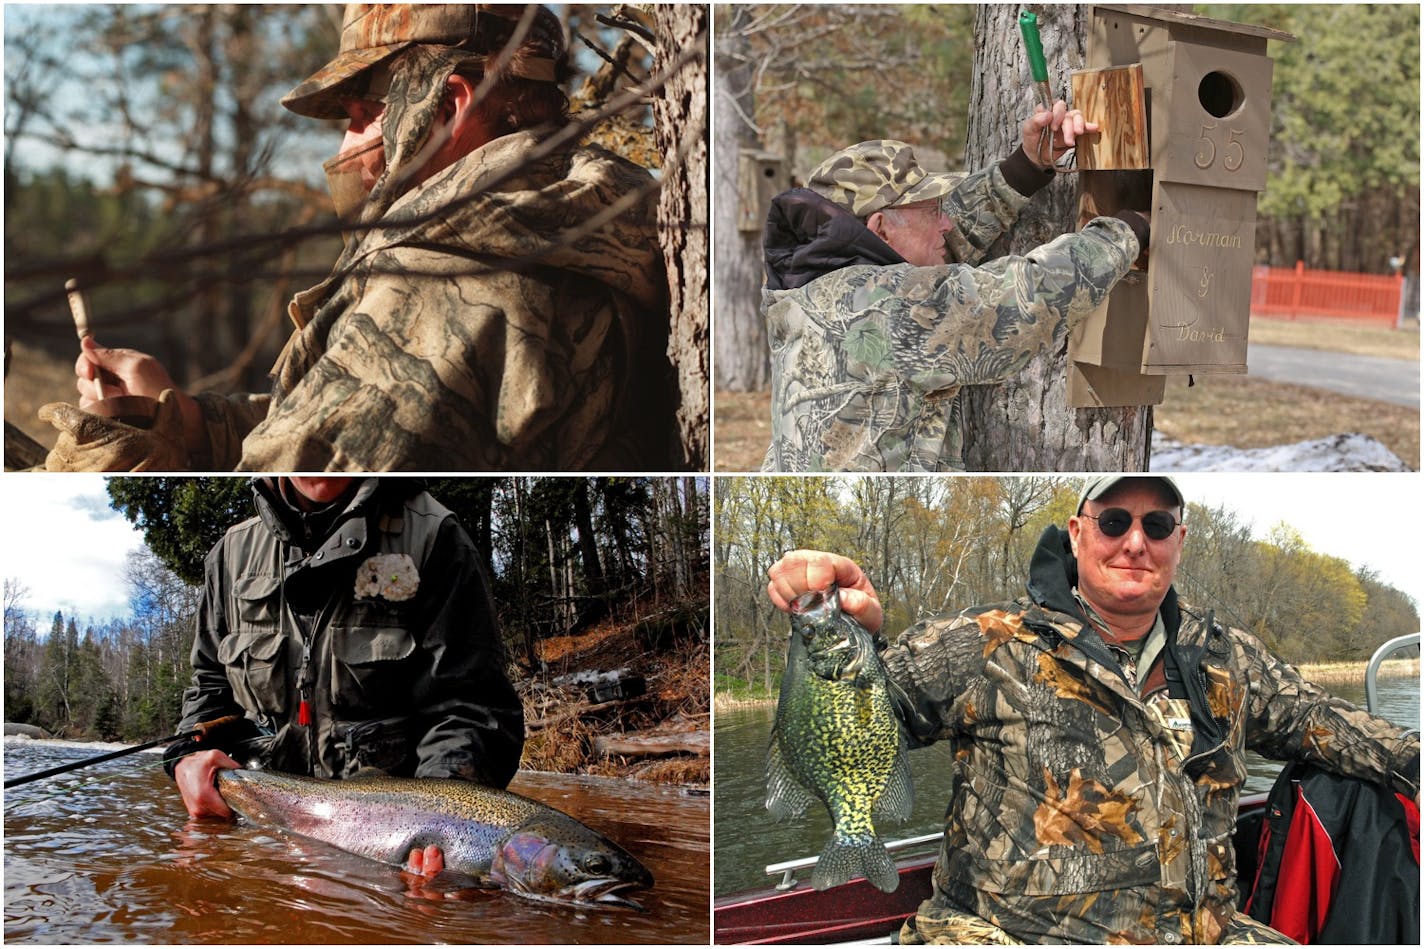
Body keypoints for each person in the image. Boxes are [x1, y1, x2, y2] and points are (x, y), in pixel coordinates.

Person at [765, 476, 1420, 944]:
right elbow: (872, 713)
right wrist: (850, 632)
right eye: (1114, 521)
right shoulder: (989, 640)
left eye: (1157, 524)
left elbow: (1323, 722)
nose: (1135, 541)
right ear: (1078, 533)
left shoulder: (1227, 658)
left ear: (1179, 541)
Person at [42, 4, 677, 472]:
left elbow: (297, 493)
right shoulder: (571, 216)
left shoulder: (442, 281)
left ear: (453, 104)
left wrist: (118, 457)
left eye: (360, 115)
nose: (347, 148)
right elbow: (350, 421)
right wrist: (182, 422)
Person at [166, 476, 523, 878]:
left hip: (384, 856)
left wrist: (441, 823)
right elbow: (210, 686)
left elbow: (470, 706)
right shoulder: (230, 555)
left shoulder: (435, 535)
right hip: (257, 836)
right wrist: (190, 760)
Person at [760, 105, 1151, 472]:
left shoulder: (810, 286)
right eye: (934, 212)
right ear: (878, 228)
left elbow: (925, 242)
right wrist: (1132, 228)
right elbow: (1026, 297)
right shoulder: (889, 308)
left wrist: (1026, 167)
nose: (946, 224)